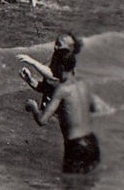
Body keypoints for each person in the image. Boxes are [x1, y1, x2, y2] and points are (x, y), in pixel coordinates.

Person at [24, 42, 104, 174]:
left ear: (60, 67)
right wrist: (30, 80)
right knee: (88, 184)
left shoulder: (61, 90)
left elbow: (42, 120)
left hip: (75, 147)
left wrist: (33, 107)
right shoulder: (82, 84)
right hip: (92, 143)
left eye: (53, 66)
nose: (51, 69)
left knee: (70, 185)